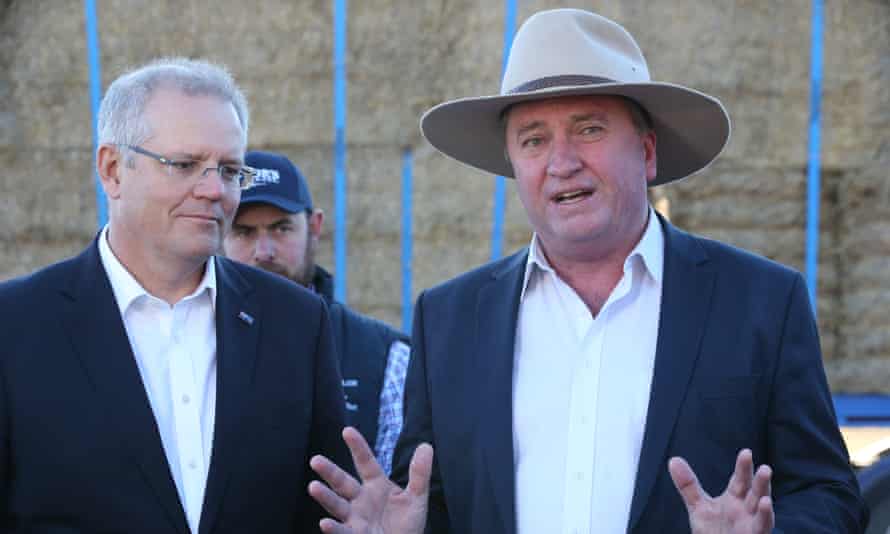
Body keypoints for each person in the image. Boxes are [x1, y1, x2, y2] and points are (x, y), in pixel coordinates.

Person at [307, 8, 868, 534]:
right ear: (513, 165)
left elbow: (828, 492)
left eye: (590, 129)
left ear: (647, 152)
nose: (562, 162)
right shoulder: (449, 318)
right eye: (534, 140)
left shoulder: (761, 302)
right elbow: (440, 503)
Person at [0, 57, 351, 533]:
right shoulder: (17, 326)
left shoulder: (296, 322)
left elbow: (322, 512)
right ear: (112, 170)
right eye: (184, 165)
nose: (214, 190)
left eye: (230, 170)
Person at [223, 150, 410, 474]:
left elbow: (400, 487)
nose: (264, 252)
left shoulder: (387, 358)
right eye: (243, 231)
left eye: (281, 228)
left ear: (314, 226)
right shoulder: (185, 342)